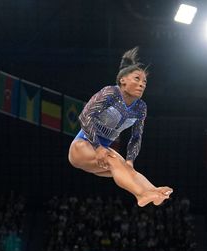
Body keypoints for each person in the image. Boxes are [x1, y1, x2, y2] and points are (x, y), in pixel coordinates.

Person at [68, 47, 173, 206]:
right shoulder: (110, 93)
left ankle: (154, 191)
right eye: (137, 79)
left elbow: (136, 137)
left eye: (144, 81)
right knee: (113, 160)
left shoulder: (140, 107)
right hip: (81, 146)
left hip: (101, 151)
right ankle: (140, 195)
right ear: (123, 80)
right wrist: (98, 147)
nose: (142, 84)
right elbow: (85, 116)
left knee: (127, 169)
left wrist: (130, 161)